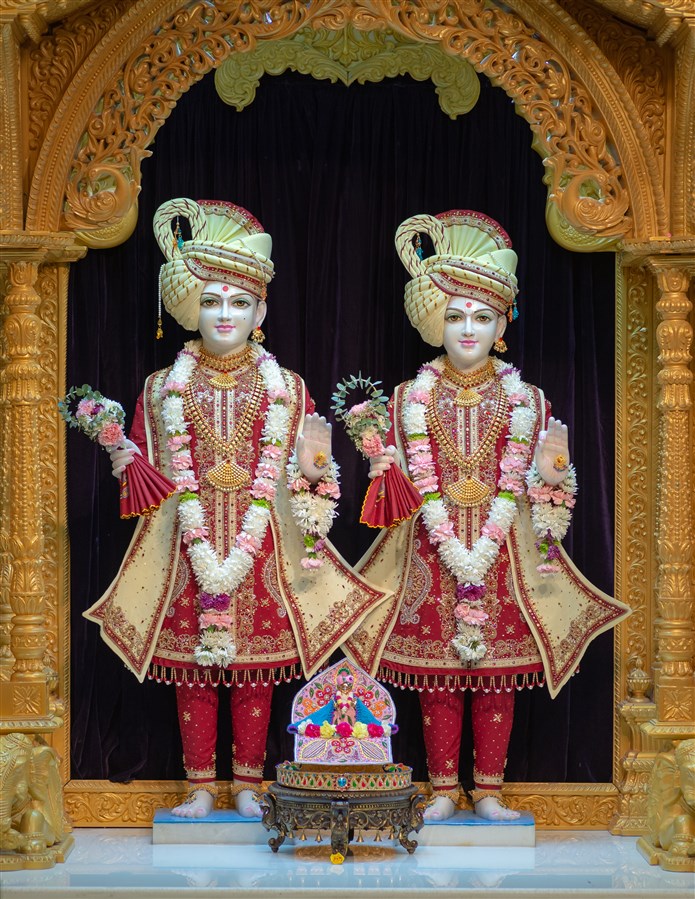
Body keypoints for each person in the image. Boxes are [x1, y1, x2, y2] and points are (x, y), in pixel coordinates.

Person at [84, 198, 387, 819]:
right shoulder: (161, 387)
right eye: (213, 301)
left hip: (263, 544)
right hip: (186, 544)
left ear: (261, 313)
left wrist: (318, 476)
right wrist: (122, 457)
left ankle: (248, 782)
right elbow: (146, 476)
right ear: (191, 309)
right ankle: (200, 785)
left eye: (240, 303)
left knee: (256, 665)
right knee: (194, 666)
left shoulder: (288, 388)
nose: (226, 315)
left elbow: (312, 474)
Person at [344, 210, 630, 822]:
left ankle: (491, 791)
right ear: (435, 323)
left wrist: (554, 482)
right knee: (440, 673)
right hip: (430, 547)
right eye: (454, 316)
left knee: (497, 672)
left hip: (504, 550)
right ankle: (445, 789)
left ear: (502, 325)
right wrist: (379, 463)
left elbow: (544, 481)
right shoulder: (407, 397)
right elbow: (398, 486)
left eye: (481, 317)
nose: (467, 329)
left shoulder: (529, 399)